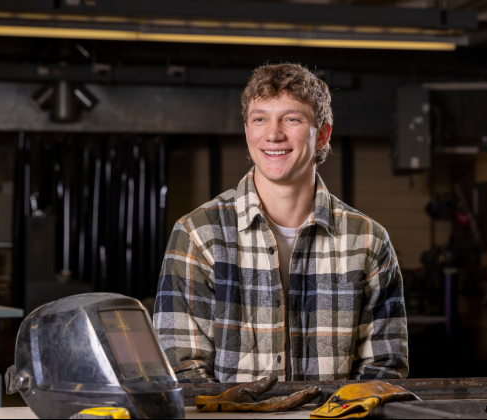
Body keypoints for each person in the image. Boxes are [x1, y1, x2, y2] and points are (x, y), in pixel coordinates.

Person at [153, 63, 408, 383]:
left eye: (291, 119)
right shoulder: (199, 234)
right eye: (260, 119)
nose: (273, 134)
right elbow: (181, 370)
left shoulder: (368, 240)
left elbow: (383, 368)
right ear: (248, 131)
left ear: (323, 134)